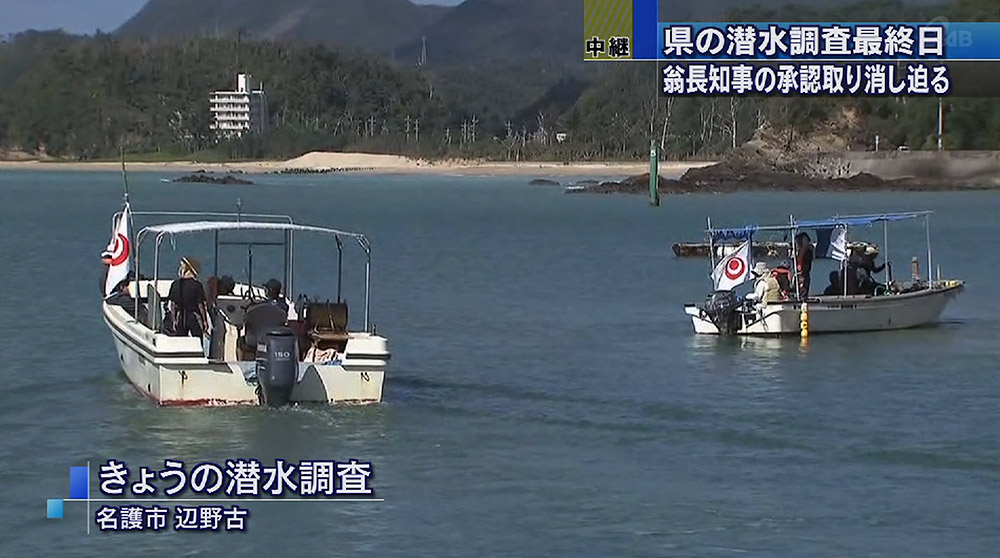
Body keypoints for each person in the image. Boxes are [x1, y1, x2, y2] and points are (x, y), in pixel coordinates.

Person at [167, 256, 208, 337]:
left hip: (180, 316)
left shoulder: (175, 284)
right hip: (194, 316)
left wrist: (174, 319)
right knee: (197, 341)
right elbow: (200, 305)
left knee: (181, 341)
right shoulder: (197, 285)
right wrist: (204, 320)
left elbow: (173, 304)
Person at [794, 232, 814, 297]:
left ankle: (803, 299)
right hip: (800, 273)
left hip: (804, 273)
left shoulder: (808, 251)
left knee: (804, 288)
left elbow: (807, 263)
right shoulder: (800, 251)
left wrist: (801, 270)